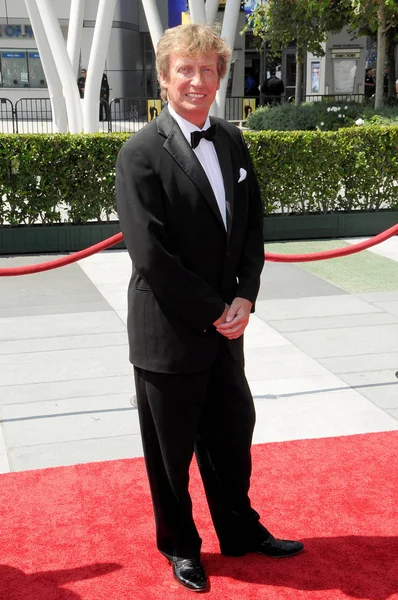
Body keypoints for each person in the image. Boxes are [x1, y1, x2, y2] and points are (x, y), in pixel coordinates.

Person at [116, 24, 303, 593]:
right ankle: (180, 546)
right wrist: (215, 310)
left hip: (227, 328)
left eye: (208, 70)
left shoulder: (231, 141)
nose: (198, 81)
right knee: (171, 456)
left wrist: (245, 295)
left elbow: (251, 227)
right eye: (186, 70)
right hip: (170, 333)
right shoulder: (140, 153)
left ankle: (241, 531)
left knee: (231, 438)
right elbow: (152, 255)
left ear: (220, 76)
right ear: (165, 77)